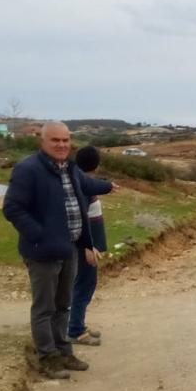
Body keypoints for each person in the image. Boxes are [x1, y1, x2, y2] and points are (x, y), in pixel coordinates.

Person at [2, 122, 114, 379]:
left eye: (65, 140)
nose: (62, 145)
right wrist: (39, 236)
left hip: (69, 249)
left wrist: (107, 186)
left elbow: (86, 186)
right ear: (42, 142)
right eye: (55, 140)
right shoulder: (28, 170)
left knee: (63, 305)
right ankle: (48, 358)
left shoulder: (70, 168)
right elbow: (12, 208)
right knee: (45, 308)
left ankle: (64, 352)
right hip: (42, 251)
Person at [67, 145, 107, 347]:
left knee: (81, 285)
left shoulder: (82, 182)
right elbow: (81, 219)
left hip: (86, 246)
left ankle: (76, 323)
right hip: (85, 248)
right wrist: (88, 247)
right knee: (83, 285)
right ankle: (75, 330)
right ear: (96, 164)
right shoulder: (83, 186)